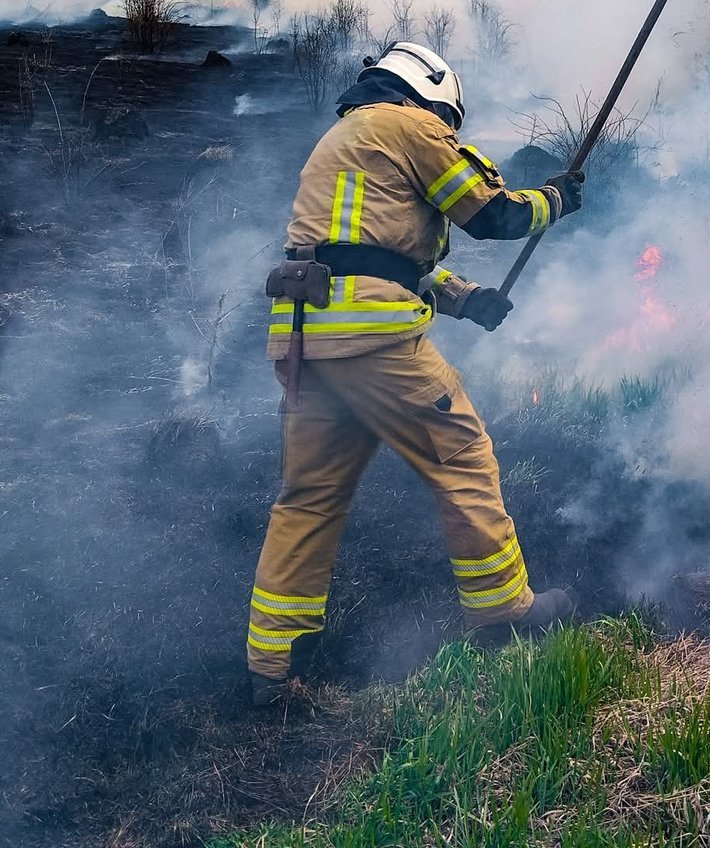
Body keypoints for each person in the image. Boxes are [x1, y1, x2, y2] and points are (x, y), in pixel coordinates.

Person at [247, 41, 583, 706]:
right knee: (461, 455)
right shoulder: (412, 126)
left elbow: (375, 257)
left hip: (306, 342)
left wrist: (465, 299)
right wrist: (557, 198)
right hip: (373, 342)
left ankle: (272, 666)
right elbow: (494, 214)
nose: (448, 133)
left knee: (308, 499)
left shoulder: (344, 139)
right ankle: (503, 614)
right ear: (432, 93)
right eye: (448, 121)